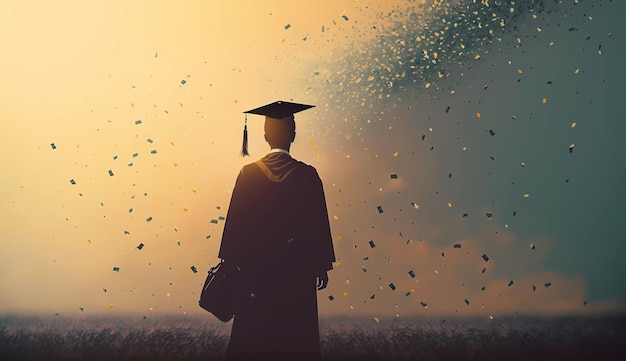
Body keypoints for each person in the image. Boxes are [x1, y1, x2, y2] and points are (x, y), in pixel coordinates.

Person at [218, 101, 336, 360]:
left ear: (265, 136)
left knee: (252, 339)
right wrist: (321, 265)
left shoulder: (248, 174)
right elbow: (318, 225)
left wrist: (229, 263)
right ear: (293, 134)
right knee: (295, 339)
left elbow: (236, 224)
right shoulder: (307, 175)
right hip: (296, 274)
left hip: (255, 274)